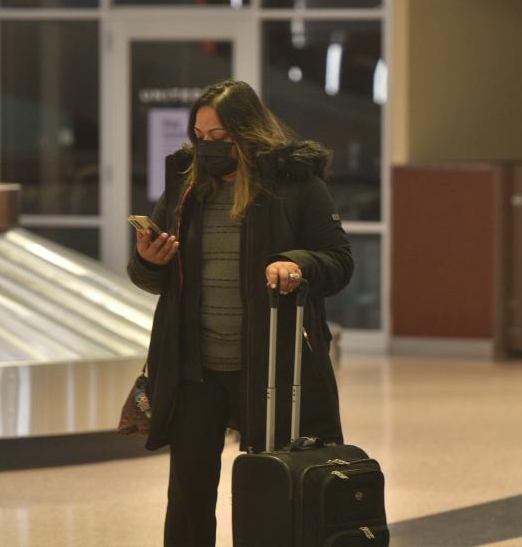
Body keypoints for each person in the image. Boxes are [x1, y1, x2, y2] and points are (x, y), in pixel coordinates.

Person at [127, 80, 353, 547]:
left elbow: (339, 261)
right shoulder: (187, 188)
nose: (207, 148)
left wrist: (300, 263)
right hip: (196, 368)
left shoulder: (297, 184)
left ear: (249, 135)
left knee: (274, 487)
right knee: (188, 495)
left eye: (219, 138)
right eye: (199, 136)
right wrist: (150, 261)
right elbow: (153, 279)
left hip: (273, 365)